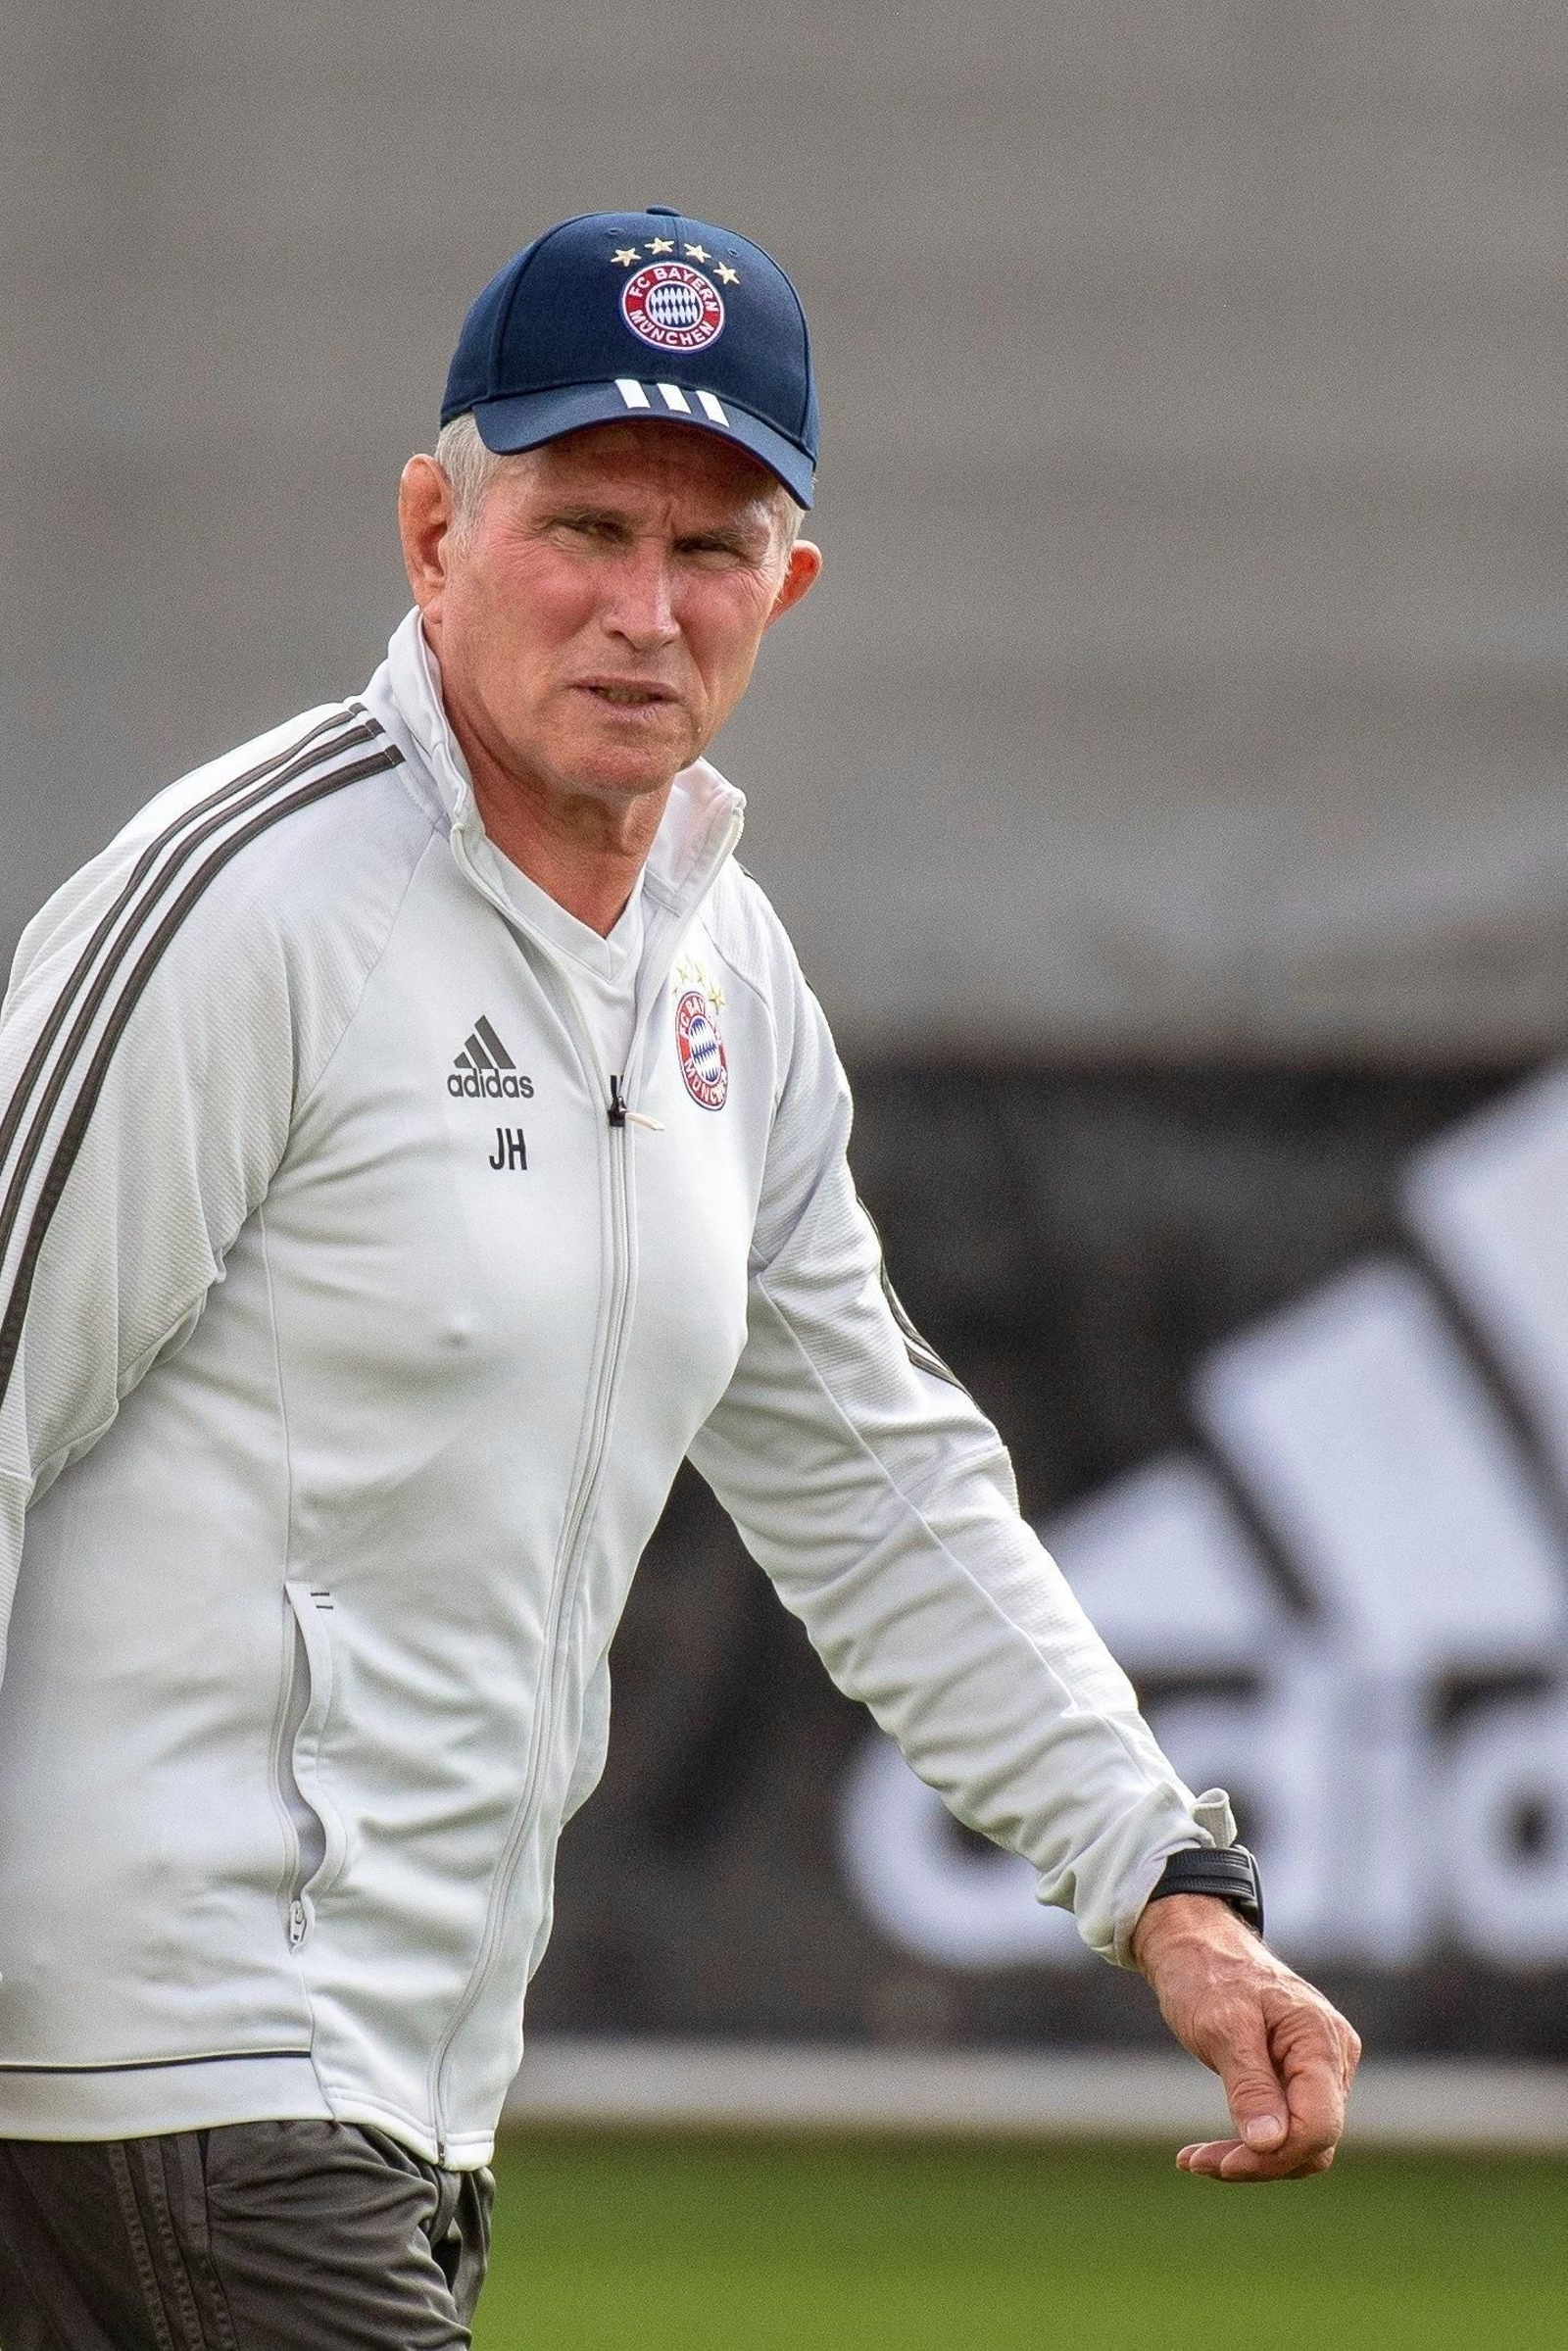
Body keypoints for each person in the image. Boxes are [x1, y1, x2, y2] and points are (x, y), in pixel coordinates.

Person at [0, 207, 1358, 2345]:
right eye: (583, 525)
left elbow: (879, 1478)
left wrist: (1165, 1884)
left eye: (711, 548)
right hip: (146, 2070)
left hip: (397, 2109)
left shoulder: (724, 972)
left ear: (785, 588)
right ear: (431, 528)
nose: (643, 610)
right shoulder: (242, 904)